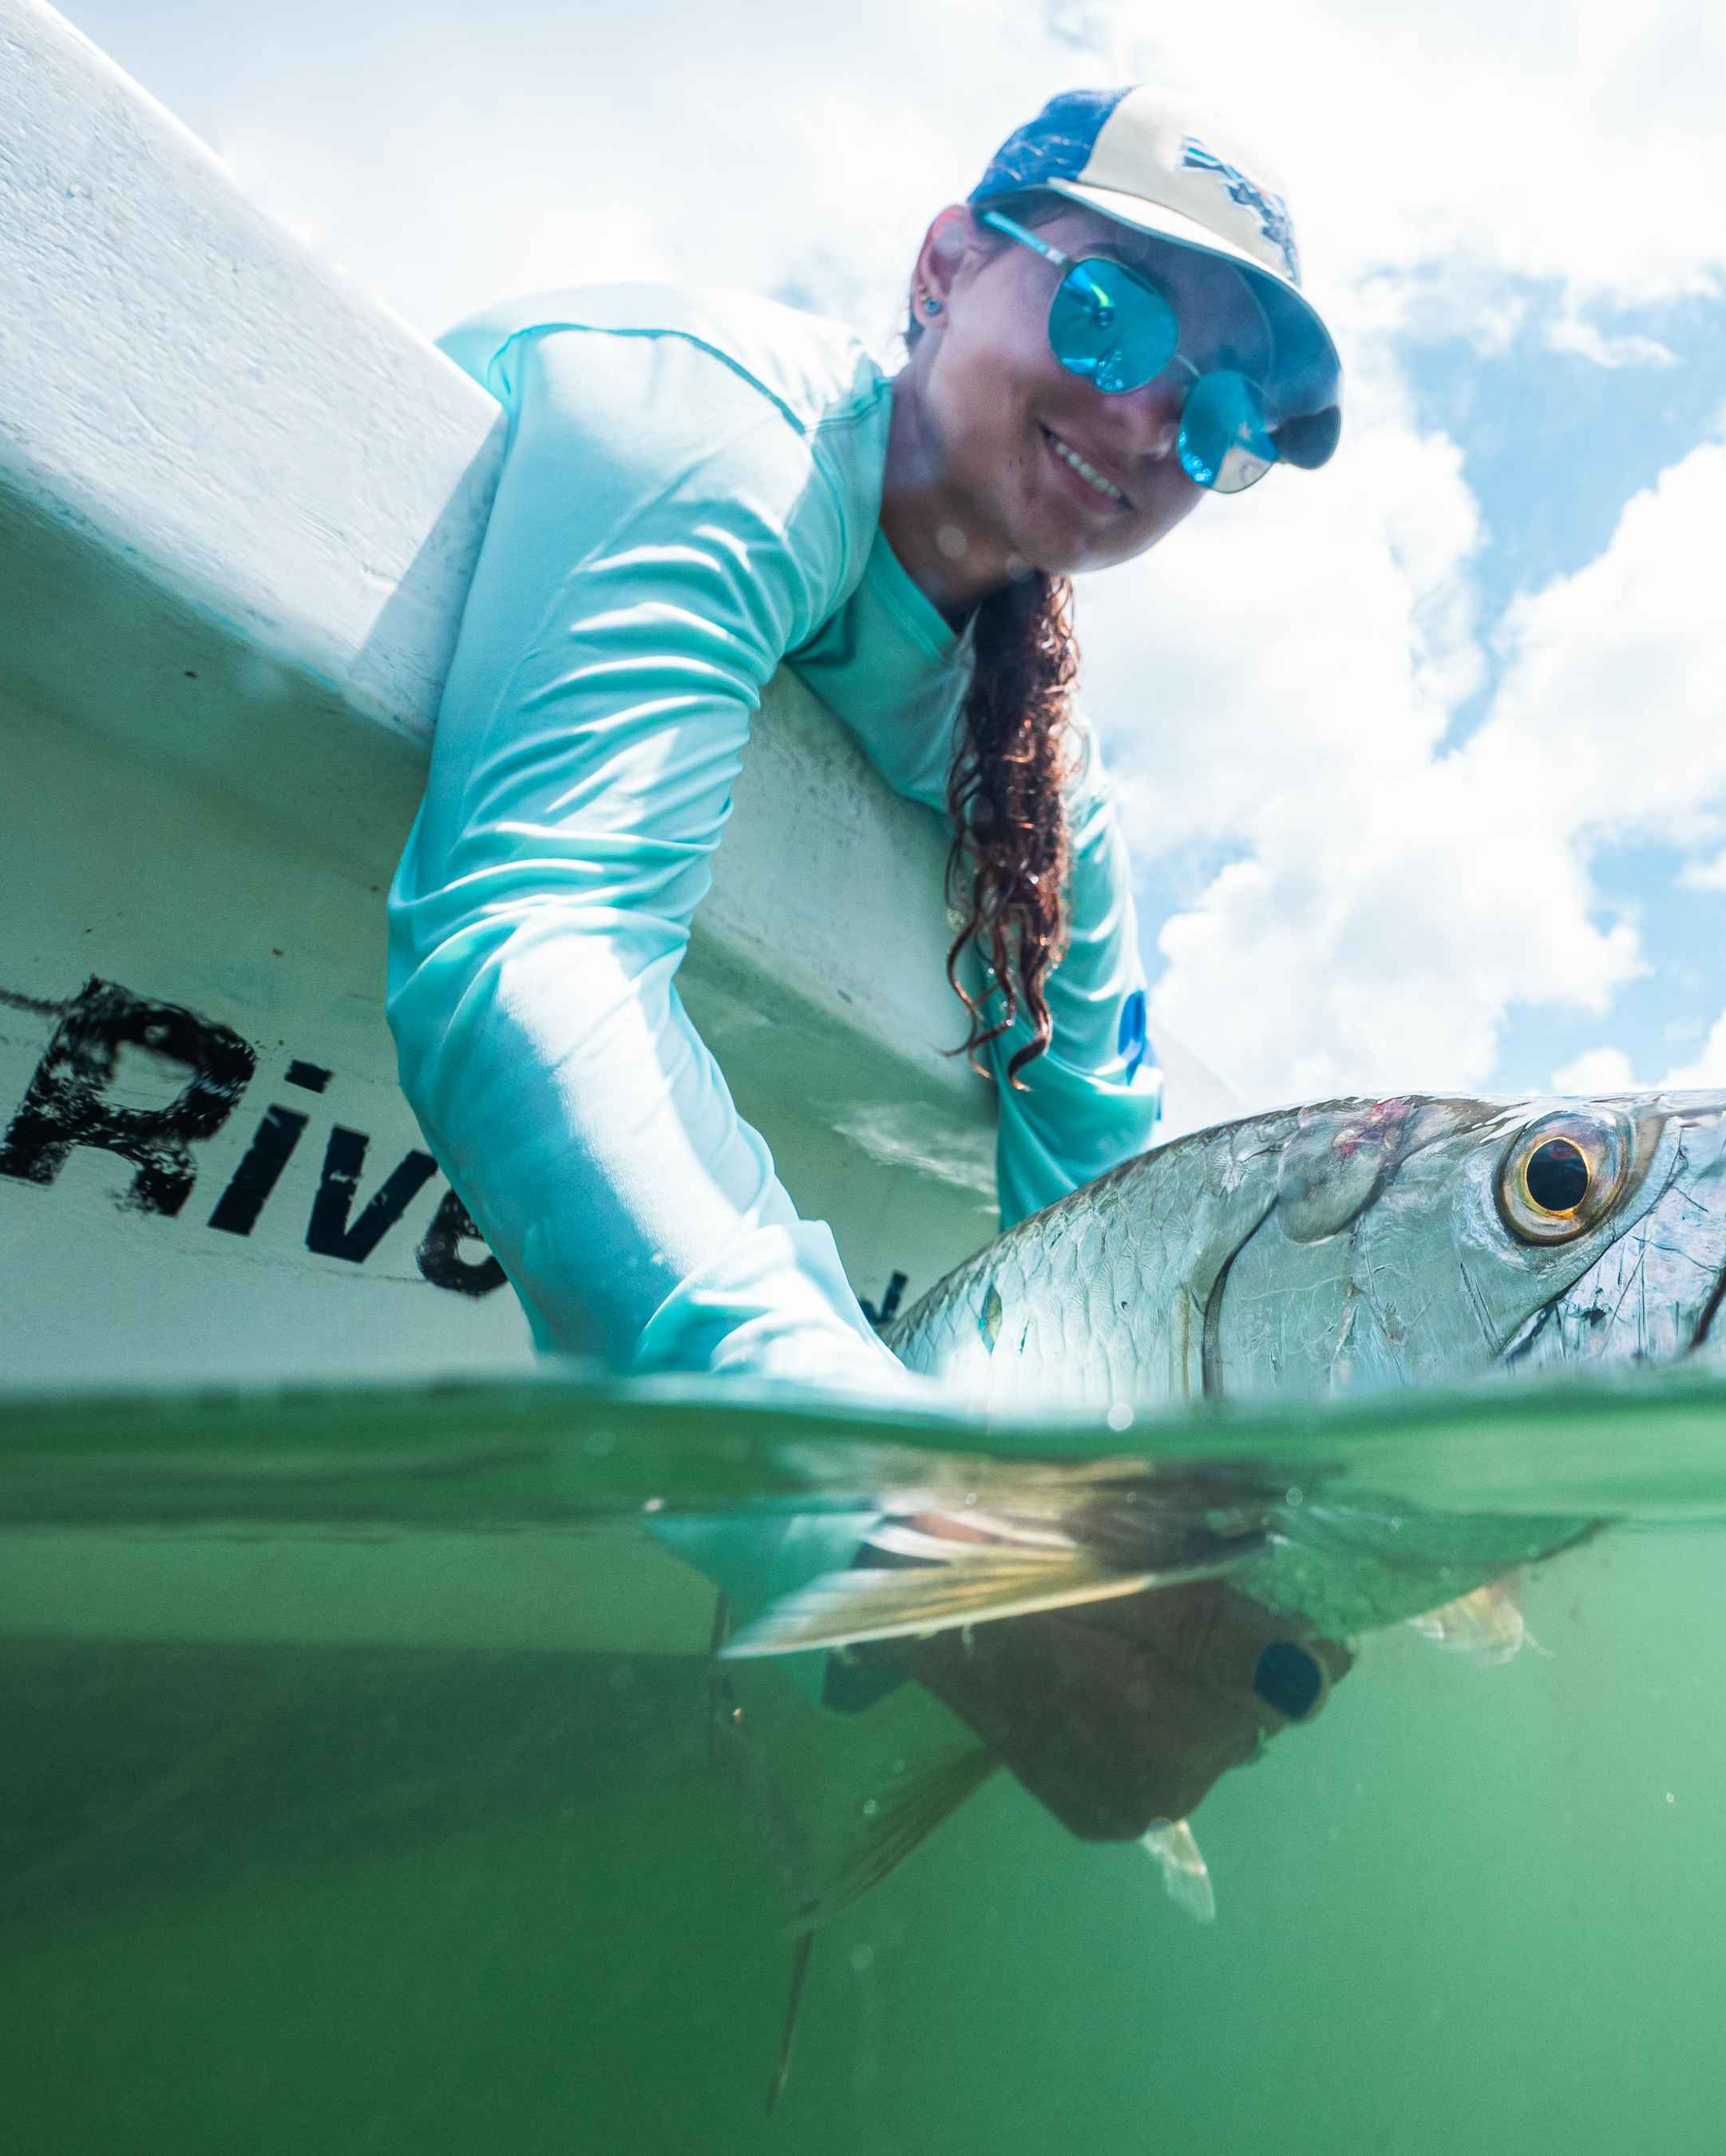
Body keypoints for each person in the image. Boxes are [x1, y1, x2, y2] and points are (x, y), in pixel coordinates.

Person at [386, 86, 1348, 1840]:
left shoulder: (1053, 789)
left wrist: (1136, 1544)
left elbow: (1110, 1223)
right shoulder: (717, 428)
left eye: (1221, 422)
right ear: (942, 267)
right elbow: (529, 946)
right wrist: (905, 1539)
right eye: (1109, 311)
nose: (1147, 421)